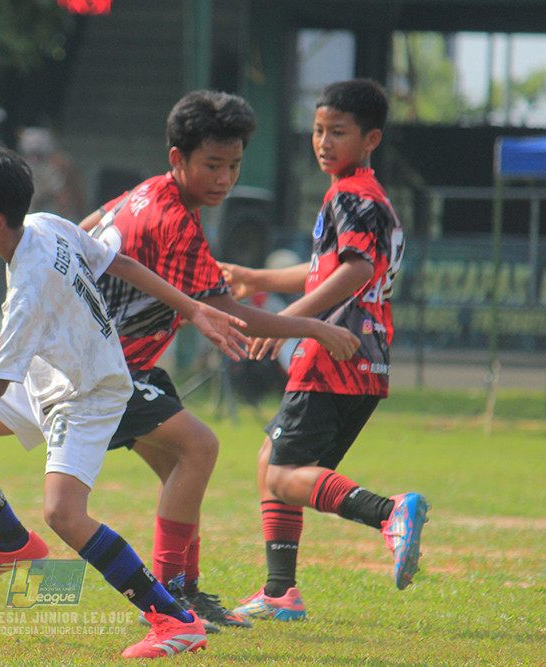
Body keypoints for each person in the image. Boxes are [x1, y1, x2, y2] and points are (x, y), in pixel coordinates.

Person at [0, 139, 252, 659]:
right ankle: (12, 543)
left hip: (88, 393)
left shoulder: (29, 282)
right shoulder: (45, 223)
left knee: (65, 514)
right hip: (51, 376)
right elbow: (121, 264)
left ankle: (174, 621)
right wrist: (194, 309)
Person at [78, 90, 360, 632]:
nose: (225, 178)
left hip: (120, 364)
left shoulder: (144, 193)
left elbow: (87, 225)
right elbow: (230, 313)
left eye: (233, 165)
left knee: (181, 468)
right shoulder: (174, 221)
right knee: (200, 447)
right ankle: (171, 599)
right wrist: (314, 328)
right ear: (177, 159)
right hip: (103, 370)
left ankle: (182, 591)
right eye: (212, 165)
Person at [219, 79, 427, 622]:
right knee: (275, 463)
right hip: (366, 358)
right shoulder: (368, 196)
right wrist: (256, 276)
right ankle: (280, 593)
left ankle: (390, 513)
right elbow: (328, 268)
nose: (323, 141)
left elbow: (355, 271)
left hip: (333, 355)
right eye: (317, 130)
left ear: (370, 138)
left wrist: (288, 321)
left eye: (338, 132)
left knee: (284, 476)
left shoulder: (350, 194)